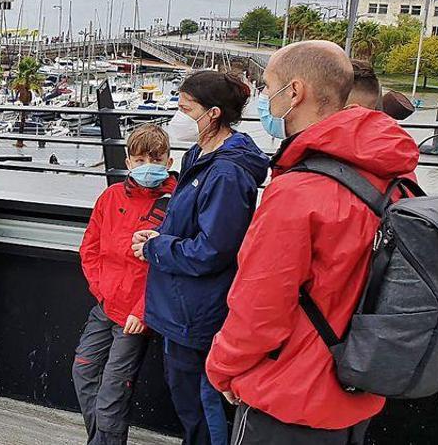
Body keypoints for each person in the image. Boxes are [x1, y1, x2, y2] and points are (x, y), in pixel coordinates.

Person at [207, 41, 417, 443]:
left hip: (289, 398)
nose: (268, 99)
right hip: (360, 386)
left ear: (295, 92)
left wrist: (223, 368)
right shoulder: (396, 177)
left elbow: (260, 306)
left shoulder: (298, 190)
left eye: (270, 88)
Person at [131, 70, 270, 445]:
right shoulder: (198, 155)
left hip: (199, 313)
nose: (177, 115)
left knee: (203, 405)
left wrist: (156, 248)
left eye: (184, 107)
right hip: (180, 307)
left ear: (212, 114)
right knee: (187, 400)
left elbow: (214, 250)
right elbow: (191, 224)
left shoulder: (226, 172)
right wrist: (161, 236)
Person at [74, 124, 176, 445]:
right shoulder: (110, 197)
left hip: (136, 317)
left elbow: (170, 268)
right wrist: (102, 291)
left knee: (113, 392)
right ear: (129, 162)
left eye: (155, 159)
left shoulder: (175, 204)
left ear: (168, 161)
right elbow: (89, 247)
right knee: (83, 371)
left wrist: (142, 311)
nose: (148, 165)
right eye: (140, 158)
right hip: (106, 306)